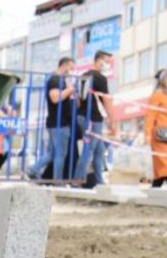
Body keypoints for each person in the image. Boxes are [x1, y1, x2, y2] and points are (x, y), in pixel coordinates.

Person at [29, 57, 76, 181]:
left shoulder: (62, 81)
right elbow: (55, 98)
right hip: (59, 124)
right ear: (64, 66)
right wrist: (70, 89)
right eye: (71, 68)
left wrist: (69, 88)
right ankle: (57, 181)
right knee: (60, 154)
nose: (72, 71)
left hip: (58, 123)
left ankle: (33, 170)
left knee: (52, 153)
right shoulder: (55, 80)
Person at [76, 50, 113, 188]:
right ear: (99, 60)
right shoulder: (100, 78)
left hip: (82, 116)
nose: (108, 65)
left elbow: (78, 100)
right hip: (93, 119)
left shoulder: (83, 76)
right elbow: (106, 101)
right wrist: (112, 121)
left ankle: (99, 181)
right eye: (107, 62)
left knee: (100, 149)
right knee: (89, 150)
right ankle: (77, 180)